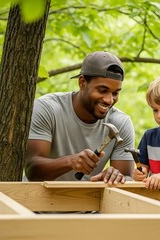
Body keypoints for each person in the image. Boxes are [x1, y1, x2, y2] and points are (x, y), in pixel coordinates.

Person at [25, 51, 135, 184]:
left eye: (115, 93)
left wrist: (114, 177)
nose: (109, 100)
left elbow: (127, 178)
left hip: (88, 201)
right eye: (102, 90)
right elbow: (32, 171)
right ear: (82, 82)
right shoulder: (47, 109)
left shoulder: (121, 122)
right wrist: (70, 162)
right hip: (38, 200)